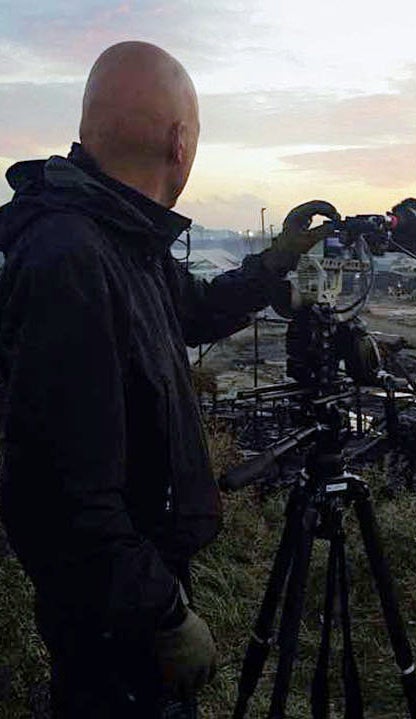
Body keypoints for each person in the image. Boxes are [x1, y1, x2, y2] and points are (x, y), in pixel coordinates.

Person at [0, 41, 336, 718]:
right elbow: (57, 496)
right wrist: (159, 614)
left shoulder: (118, 236)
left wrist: (273, 261)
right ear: (180, 142)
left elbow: (195, 310)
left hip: (133, 582)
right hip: (109, 621)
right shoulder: (71, 258)